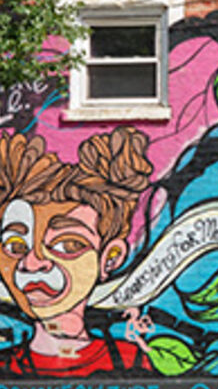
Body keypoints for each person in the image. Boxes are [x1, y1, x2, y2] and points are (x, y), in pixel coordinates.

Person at [0, 129, 154, 376]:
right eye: (16, 247)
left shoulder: (130, 362)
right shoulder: (5, 366)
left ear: (110, 258)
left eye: (68, 245)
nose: (32, 263)